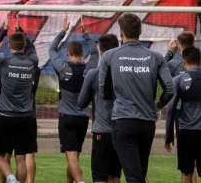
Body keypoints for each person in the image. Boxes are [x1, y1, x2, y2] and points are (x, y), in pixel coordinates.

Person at [98, 13, 174, 183]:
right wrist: (158, 105)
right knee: (139, 173)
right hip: (147, 122)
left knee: (133, 176)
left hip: (123, 120)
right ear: (140, 31)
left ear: (121, 33)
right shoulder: (155, 57)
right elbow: (170, 88)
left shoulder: (109, 56)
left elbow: (103, 91)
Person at [0, 12, 39, 183]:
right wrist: (22, 33)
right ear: (24, 45)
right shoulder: (32, 62)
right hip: (25, 117)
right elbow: (31, 49)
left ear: (9, 46)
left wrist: (3, 30)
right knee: (21, 159)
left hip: (6, 116)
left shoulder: (4, 62)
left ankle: (10, 178)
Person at [48, 16, 99, 183]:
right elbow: (95, 52)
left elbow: (51, 50)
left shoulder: (63, 68)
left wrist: (63, 31)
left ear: (68, 54)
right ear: (82, 54)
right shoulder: (90, 68)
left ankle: (81, 182)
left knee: (70, 156)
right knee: (74, 156)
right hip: (83, 118)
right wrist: (86, 35)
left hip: (66, 118)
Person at [78, 34, 121, 183]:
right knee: (115, 176)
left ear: (101, 52)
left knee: (99, 177)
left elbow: (81, 102)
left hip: (101, 131)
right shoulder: (124, 74)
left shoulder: (93, 74)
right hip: (121, 129)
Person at [165, 47, 201, 183]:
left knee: (187, 172)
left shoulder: (179, 80)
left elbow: (171, 109)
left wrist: (168, 137)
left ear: (184, 61)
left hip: (186, 132)